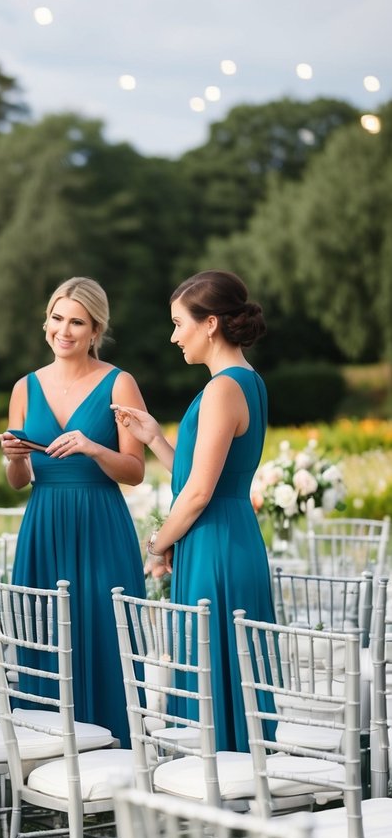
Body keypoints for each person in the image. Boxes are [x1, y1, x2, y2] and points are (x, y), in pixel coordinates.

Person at [115, 268, 275, 753]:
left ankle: (221, 789)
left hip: (215, 547)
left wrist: (157, 544)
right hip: (229, 535)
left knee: (215, 666)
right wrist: (157, 440)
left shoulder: (223, 388)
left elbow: (200, 493)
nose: (173, 336)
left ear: (210, 324)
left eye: (179, 323)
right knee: (224, 669)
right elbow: (206, 478)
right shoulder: (248, 381)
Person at [0, 276, 147, 744]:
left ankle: (117, 748)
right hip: (44, 523)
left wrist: (92, 448)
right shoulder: (25, 387)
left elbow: (136, 470)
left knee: (104, 634)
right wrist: (16, 459)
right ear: (46, 322)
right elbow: (19, 481)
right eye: (58, 318)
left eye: (77, 322)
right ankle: (48, 749)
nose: (64, 330)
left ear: (95, 329)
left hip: (100, 522)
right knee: (45, 634)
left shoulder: (120, 383)